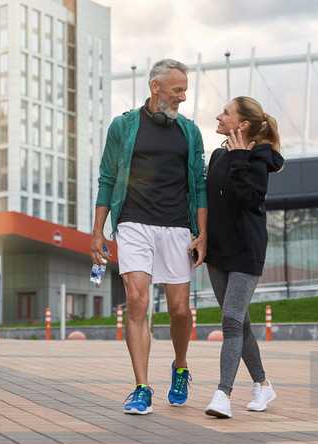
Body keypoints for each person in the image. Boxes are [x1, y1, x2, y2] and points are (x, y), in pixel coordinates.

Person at [91, 58, 208, 415]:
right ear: (155, 88)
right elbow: (107, 179)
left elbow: (199, 185)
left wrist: (202, 233)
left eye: (185, 91)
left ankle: (180, 365)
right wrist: (98, 231)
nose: (183, 98)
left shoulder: (189, 131)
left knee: (178, 309)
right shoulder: (123, 127)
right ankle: (141, 387)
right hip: (133, 222)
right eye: (177, 91)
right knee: (137, 301)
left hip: (175, 225)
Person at [203, 96, 284, 418]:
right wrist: (202, 236)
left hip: (247, 250)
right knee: (241, 323)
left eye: (226, 112)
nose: (218, 115)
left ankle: (223, 393)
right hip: (218, 250)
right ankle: (263, 385)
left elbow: (249, 198)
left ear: (243, 124)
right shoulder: (218, 155)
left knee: (231, 321)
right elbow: (211, 200)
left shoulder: (260, 156)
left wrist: (240, 157)